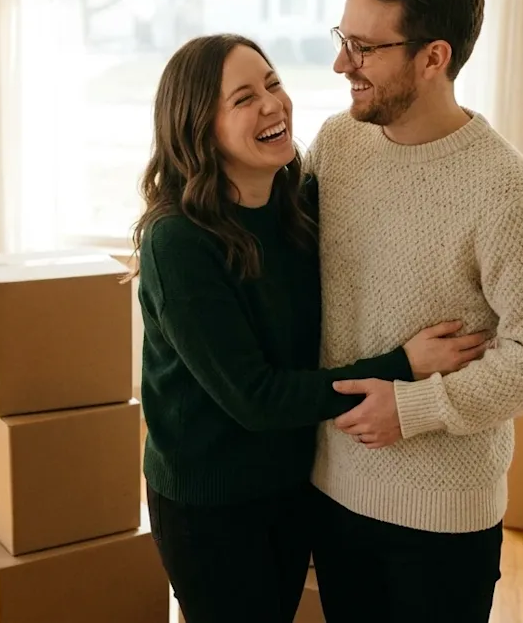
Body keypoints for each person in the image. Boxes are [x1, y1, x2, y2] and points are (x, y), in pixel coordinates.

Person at [130, 33, 488, 623]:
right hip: (212, 506)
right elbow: (257, 398)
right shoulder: (180, 242)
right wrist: (404, 365)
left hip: (292, 485)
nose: (273, 104)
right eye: (244, 98)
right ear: (199, 128)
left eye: (273, 84)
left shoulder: (296, 203)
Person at [303, 0, 523, 622]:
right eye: (343, 38)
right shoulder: (336, 145)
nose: (342, 64)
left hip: (442, 516)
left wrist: (414, 408)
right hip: (331, 488)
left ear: (433, 58)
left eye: (365, 48)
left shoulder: (508, 192)